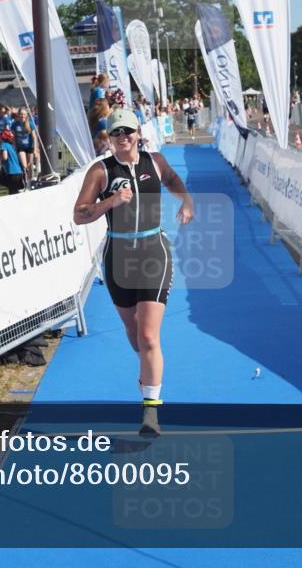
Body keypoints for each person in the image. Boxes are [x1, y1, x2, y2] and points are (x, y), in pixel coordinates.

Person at [72, 109, 194, 437]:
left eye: (128, 130)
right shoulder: (101, 171)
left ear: (138, 133)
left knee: (149, 336)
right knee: (133, 330)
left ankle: (151, 411)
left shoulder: (154, 162)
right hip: (118, 257)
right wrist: (110, 201)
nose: (122, 136)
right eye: (116, 133)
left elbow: (173, 180)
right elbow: (79, 215)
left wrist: (187, 202)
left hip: (154, 251)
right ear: (108, 139)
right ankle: (148, 370)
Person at [12, 106, 37, 184]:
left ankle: (30, 181)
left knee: (30, 165)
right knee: (24, 165)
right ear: (18, 115)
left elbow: (34, 137)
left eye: (24, 114)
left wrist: (35, 149)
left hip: (30, 147)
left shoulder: (30, 123)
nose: (22, 116)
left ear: (26, 115)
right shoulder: (15, 124)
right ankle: (25, 181)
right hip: (20, 147)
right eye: (21, 114)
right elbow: (13, 137)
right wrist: (15, 147)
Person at [0, 129, 24, 195]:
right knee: (15, 191)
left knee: (12, 192)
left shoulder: (4, 145)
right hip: (18, 171)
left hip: (11, 172)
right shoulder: (12, 146)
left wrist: (0, 156)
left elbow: (5, 157)